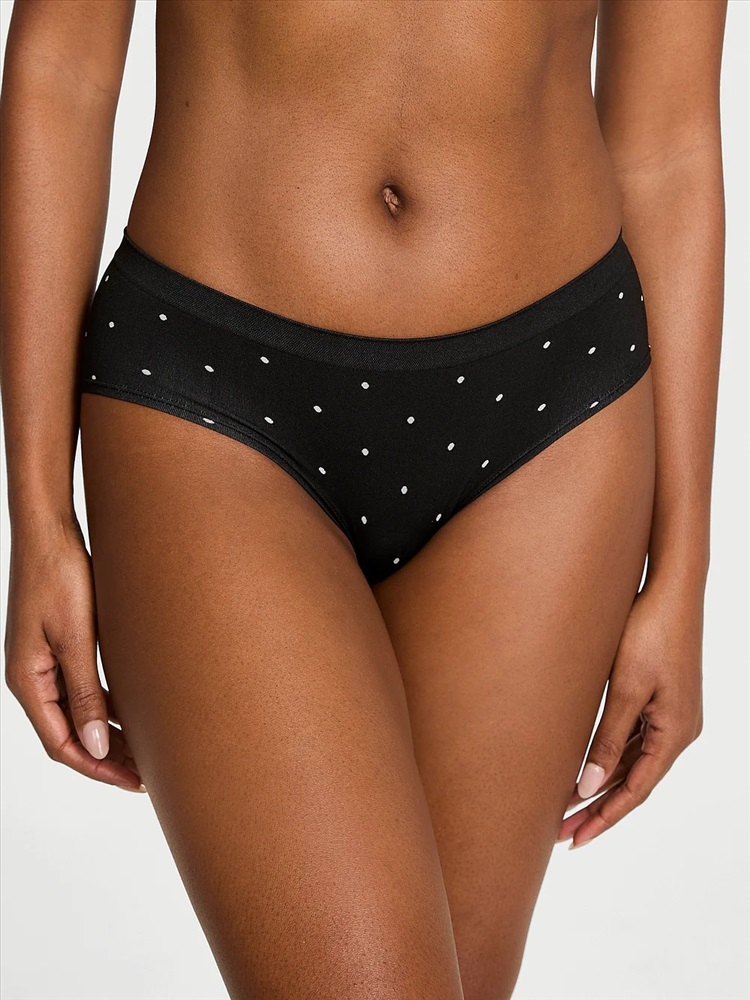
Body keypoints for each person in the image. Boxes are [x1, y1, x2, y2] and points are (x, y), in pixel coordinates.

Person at [0, 1, 727, 996]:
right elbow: (64, 66)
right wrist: (38, 512)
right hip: (217, 393)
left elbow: (669, 139)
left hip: (550, 422)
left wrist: (685, 563)